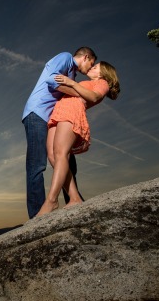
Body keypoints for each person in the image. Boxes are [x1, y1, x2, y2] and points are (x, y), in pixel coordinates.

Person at [36, 61, 121, 216]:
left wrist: (71, 82)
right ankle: (74, 197)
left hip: (72, 112)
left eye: (95, 67)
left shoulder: (102, 83)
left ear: (103, 73)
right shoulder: (87, 82)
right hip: (59, 112)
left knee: (61, 153)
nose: (91, 67)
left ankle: (51, 200)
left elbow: (94, 97)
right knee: (52, 155)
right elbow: (61, 87)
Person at [22, 47, 97, 219]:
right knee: (37, 164)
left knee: (67, 161)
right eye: (91, 63)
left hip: (53, 119)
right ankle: (37, 215)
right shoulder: (65, 58)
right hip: (37, 113)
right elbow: (52, 80)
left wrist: (75, 87)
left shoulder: (72, 75)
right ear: (86, 57)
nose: (90, 69)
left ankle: (74, 200)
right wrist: (79, 91)